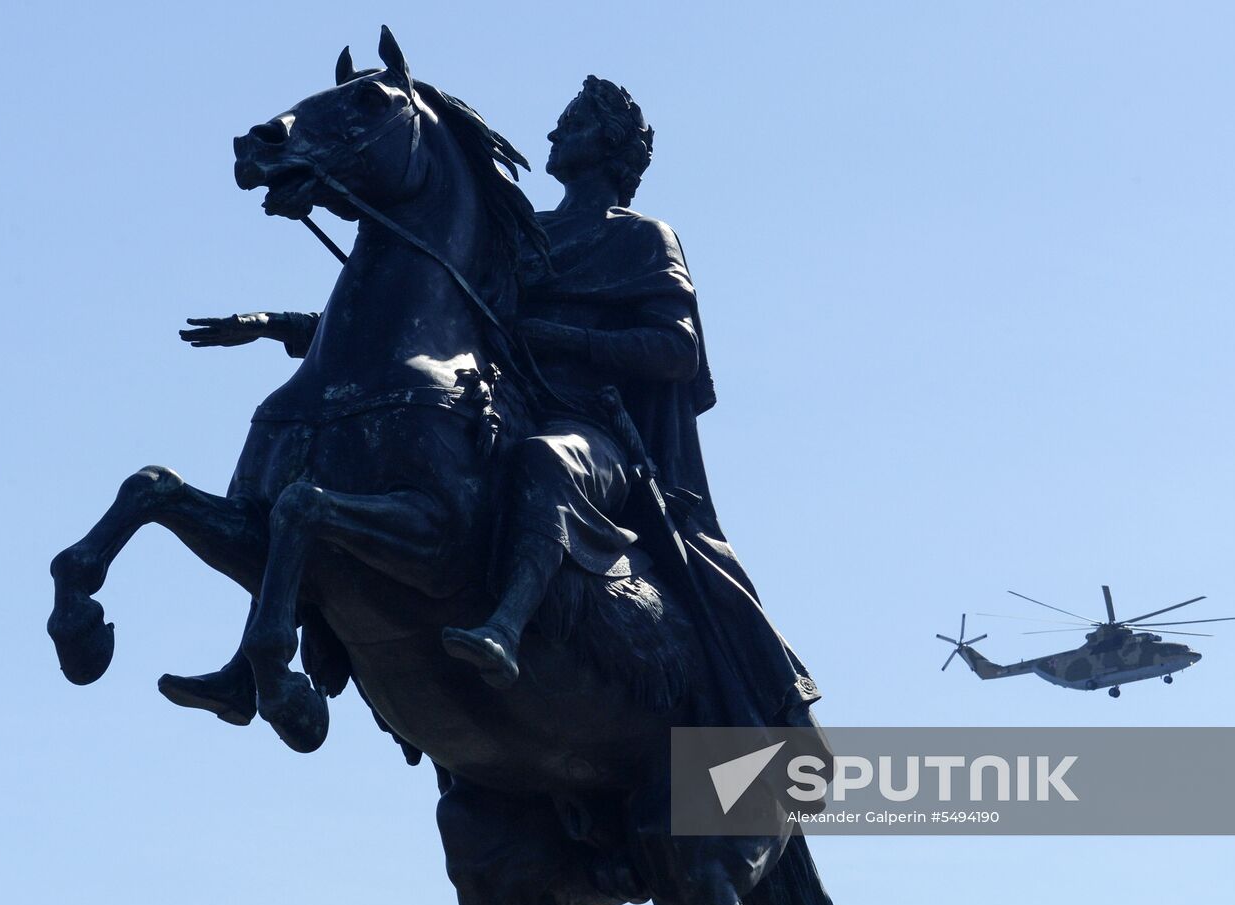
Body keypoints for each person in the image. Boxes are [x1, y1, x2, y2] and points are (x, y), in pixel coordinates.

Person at [165, 77, 819, 731]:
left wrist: (558, 335)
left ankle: (505, 624)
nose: (555, 135)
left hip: (593, 432)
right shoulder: (521, 234)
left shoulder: (644, 238)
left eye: (574, 123)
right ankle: (263, 653)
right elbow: (420, 323)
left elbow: (674, 349)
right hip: (498, 405)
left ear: (610, 145)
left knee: (543, 461)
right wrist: (275, 323)